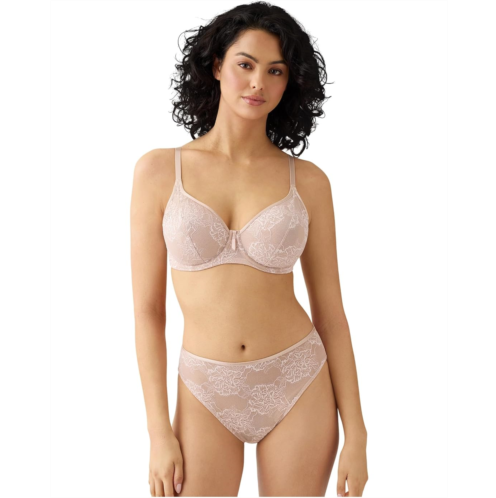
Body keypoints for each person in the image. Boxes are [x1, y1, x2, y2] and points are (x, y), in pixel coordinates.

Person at [130, 2, 368, 496]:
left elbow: (331, 315)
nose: (259, 82)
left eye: (275, 71)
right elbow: (149, 313)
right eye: (246, 64)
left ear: (289, 83)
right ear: (217, 66)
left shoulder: (309, 182)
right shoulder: (158, 172)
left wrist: (358, 434)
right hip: (204, 387)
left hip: (298, 380)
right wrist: (158, 432)